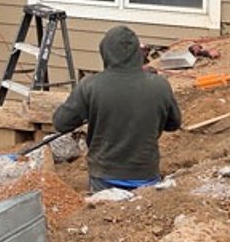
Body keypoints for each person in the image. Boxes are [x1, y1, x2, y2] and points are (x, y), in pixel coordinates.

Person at [51, 25, 181, 193]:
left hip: (105, 175)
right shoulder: (159, 85)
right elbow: (173, 124)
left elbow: (61, 123)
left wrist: (89, 109)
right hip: (146, 174)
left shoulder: (91, 86)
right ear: (138, 54)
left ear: (105, 53)